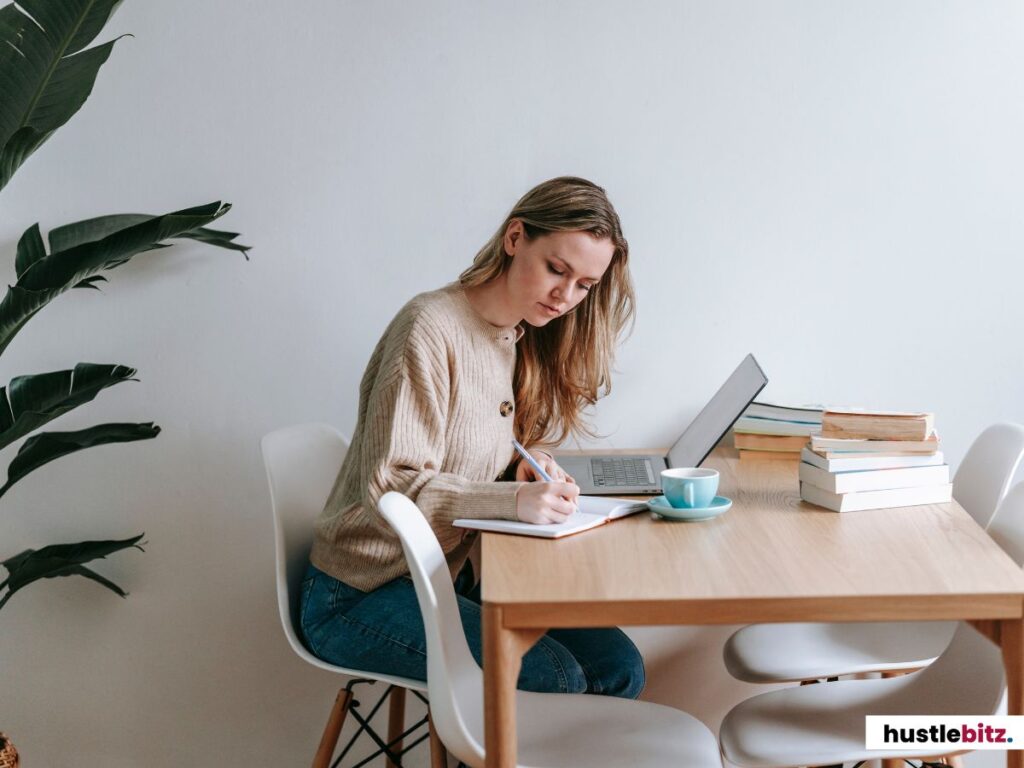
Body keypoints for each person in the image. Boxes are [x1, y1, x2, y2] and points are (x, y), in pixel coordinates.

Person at [301, 176, 643, 698]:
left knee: (619, 666)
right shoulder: (429, 329)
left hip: (445, 576)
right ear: (515, 238)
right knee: (553, 675)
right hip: (360, 592)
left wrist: (523, 467)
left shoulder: (512, 335)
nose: (566, 296)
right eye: (557, 269)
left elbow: (466, 447)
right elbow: (390, 487)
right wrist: (512, 499)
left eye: (585, 285)